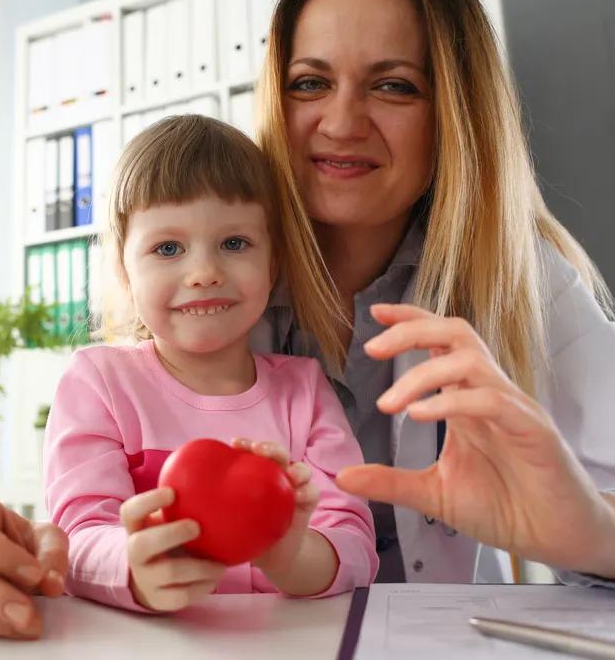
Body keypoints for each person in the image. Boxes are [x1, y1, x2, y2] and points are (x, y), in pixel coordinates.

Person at [0, 0, 615, 639]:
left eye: (393, 86)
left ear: (454, 111)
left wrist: (594, 530)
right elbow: (86, 520)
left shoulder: (518, 277)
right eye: (310, 82)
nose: (342, 121)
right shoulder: (207, 283)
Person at [45, 115, 377, 612]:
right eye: (168, 248)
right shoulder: (99, 384)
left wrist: (290, 555)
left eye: (234, 243)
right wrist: (133, 569)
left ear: (273, 263)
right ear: (123, 269)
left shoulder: (305, 392)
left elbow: (353, 544)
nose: (203, 272)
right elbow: (77, 535)